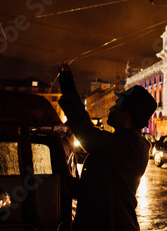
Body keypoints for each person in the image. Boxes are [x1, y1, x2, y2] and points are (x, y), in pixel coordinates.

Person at [58, 63, 157, 231]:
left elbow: (87, 134)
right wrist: (75, 187)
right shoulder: (123, 142)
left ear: (127, 113)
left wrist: (68, 87)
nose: (111, 108)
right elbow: (103, 188)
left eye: (117, 105)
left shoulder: (131, 145)